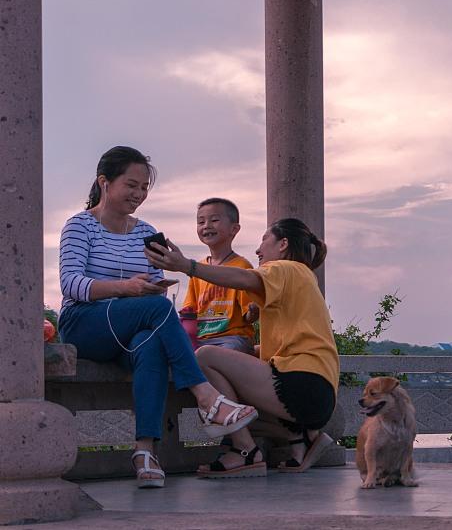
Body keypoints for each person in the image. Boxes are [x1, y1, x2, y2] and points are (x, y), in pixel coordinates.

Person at [58, 146, 258, 488]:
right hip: (84, 323)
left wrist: (154, 286)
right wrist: (127, 288)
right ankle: (207, 397)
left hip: (129, 327)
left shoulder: (144, 232)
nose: (138, 194)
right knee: (156, 311)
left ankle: (145, 451)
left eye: (144, 187)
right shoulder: (80, 226)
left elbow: (151, 288)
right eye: (131, 185)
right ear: (104, 183)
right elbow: (71, 283)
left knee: (149, 345)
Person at [145, 217, 339, 477]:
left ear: (283, 244)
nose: (258, 250)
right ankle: (302, 438)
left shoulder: (286, 267)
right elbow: (287, 345)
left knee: (204, 358)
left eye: (263, 241)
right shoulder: (302, 278)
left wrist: (188, 266)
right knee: (235, 402)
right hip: (317, 390)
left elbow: (243, 278)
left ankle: (245, 450)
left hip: (301, 383)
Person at [181, 198, 258, 355]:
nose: (206, 226)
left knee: (227, 352)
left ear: (234, 229)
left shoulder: (242, 267)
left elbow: (248, 316)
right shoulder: (198, 270)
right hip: (202, 338)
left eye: (214, 220)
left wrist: (254, 312)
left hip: (232, 338)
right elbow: (190, 311)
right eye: (200, 222)